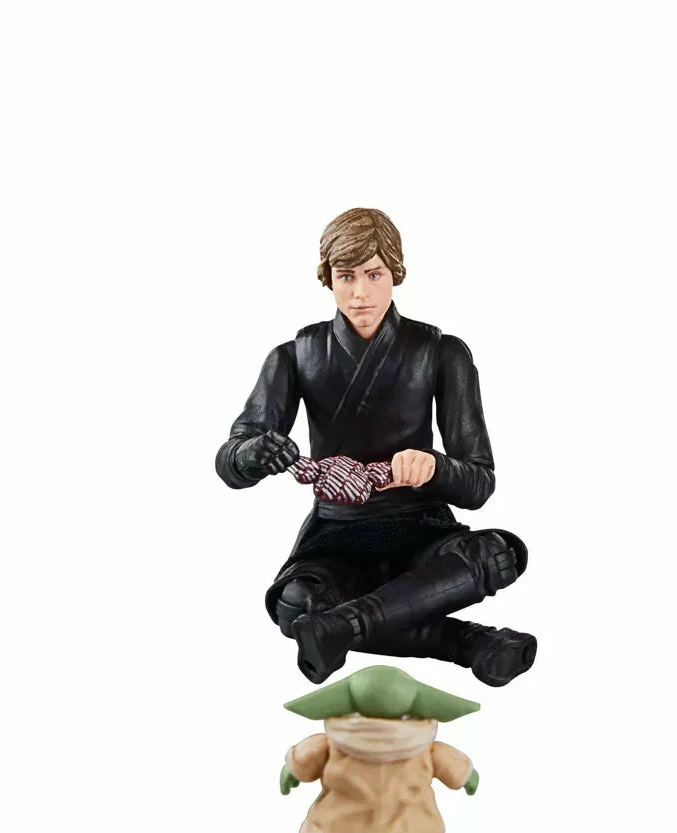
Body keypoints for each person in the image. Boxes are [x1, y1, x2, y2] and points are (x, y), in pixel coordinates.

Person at [215, 207, 536, 686]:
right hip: (338, 536)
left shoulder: (441, 352)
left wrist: (434, 467)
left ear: (395, 274)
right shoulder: (294, 356)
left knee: (500, 554)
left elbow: (479, 482)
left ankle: (343, 627)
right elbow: (231, 459)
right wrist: (254, 453)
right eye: (346, 276)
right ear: (328, 278)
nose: (360, 293)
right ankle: (467, 642)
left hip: (422, 530)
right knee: (296, 605)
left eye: (373, 274)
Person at [280, 664, 480, 833]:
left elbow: (306, 758)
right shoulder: (426, 749)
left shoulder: (331, 745)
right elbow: (452, 765)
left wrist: (293, 770)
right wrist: (467, 776)